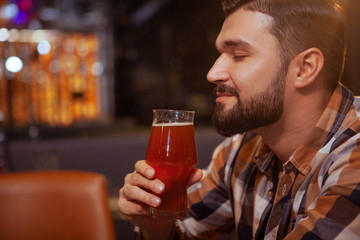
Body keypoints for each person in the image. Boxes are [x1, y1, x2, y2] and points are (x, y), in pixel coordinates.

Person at [118, 0, 360, 239]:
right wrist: (157, 227)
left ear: (305, 68)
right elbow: (183, 231)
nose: (212, 73)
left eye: (239, 55)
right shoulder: (240, 151)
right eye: (220, 54)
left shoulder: (354, 158)